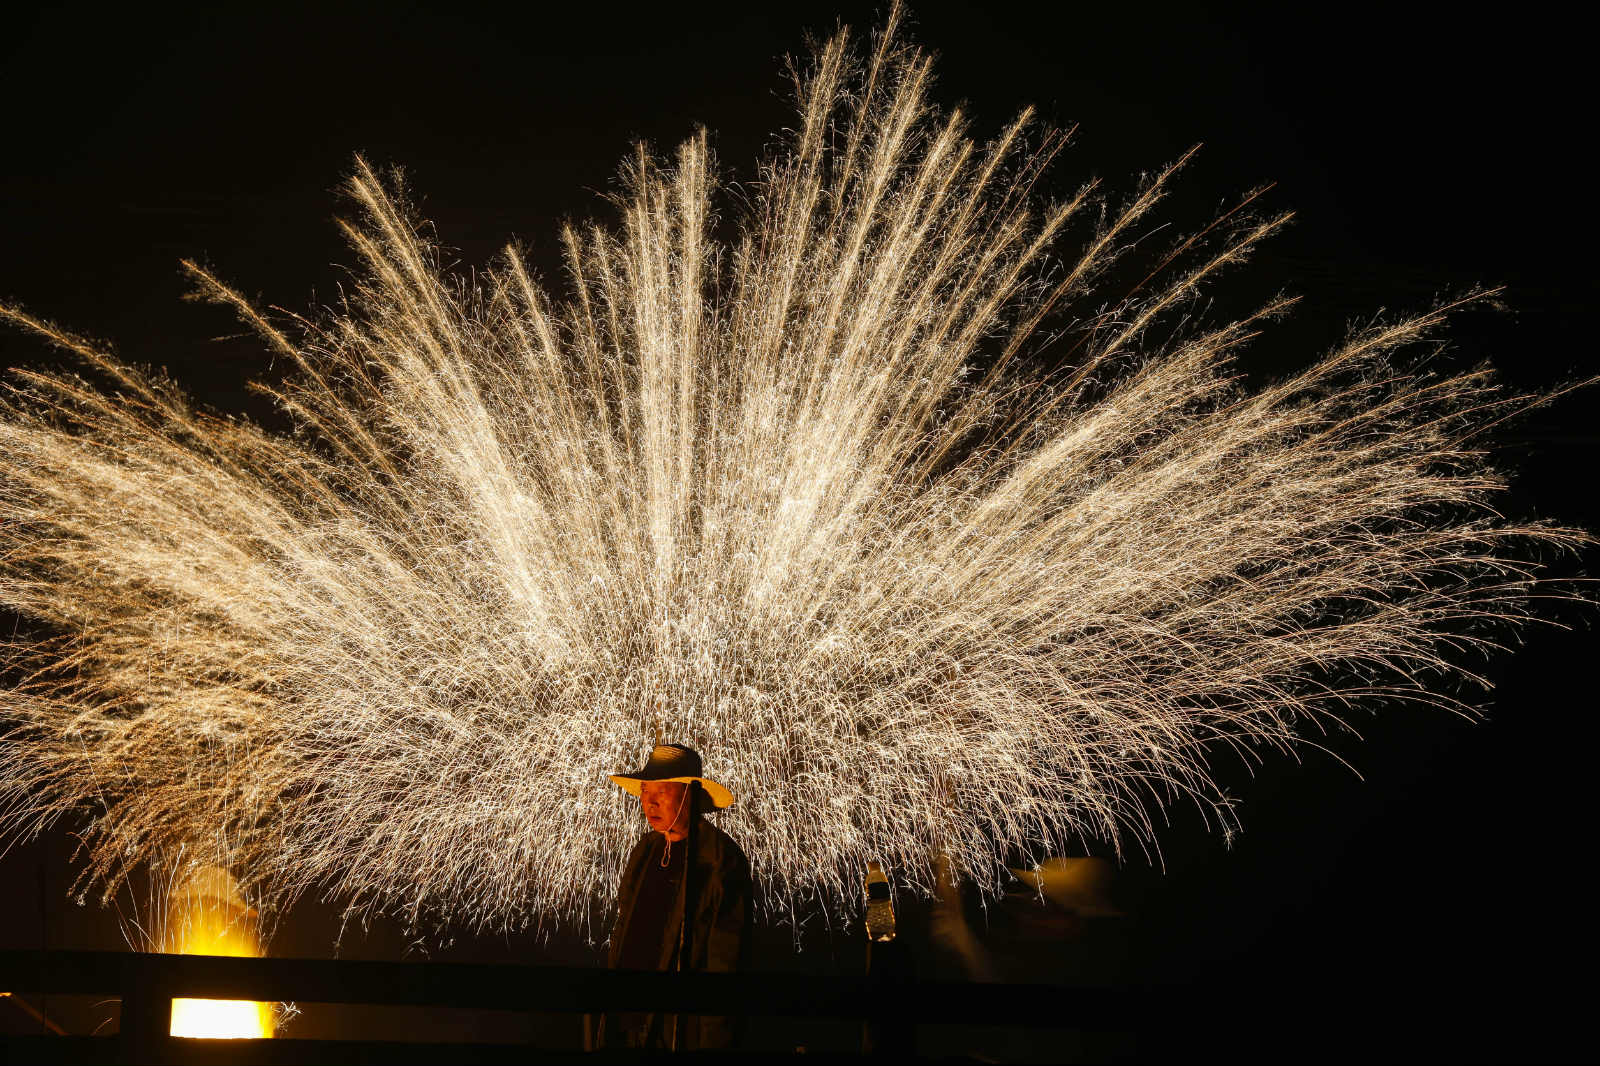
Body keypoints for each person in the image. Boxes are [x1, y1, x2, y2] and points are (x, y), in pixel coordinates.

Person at [591, 743, 750, 1050]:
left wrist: (714, 1040)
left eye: (660, 793)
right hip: (626, 1025)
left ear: (687, 794)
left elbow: (726, 959)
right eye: (645, 792)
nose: (649, 803)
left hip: (678, 1031)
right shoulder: (645, 851)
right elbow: (624, 929)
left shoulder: (720, 859)